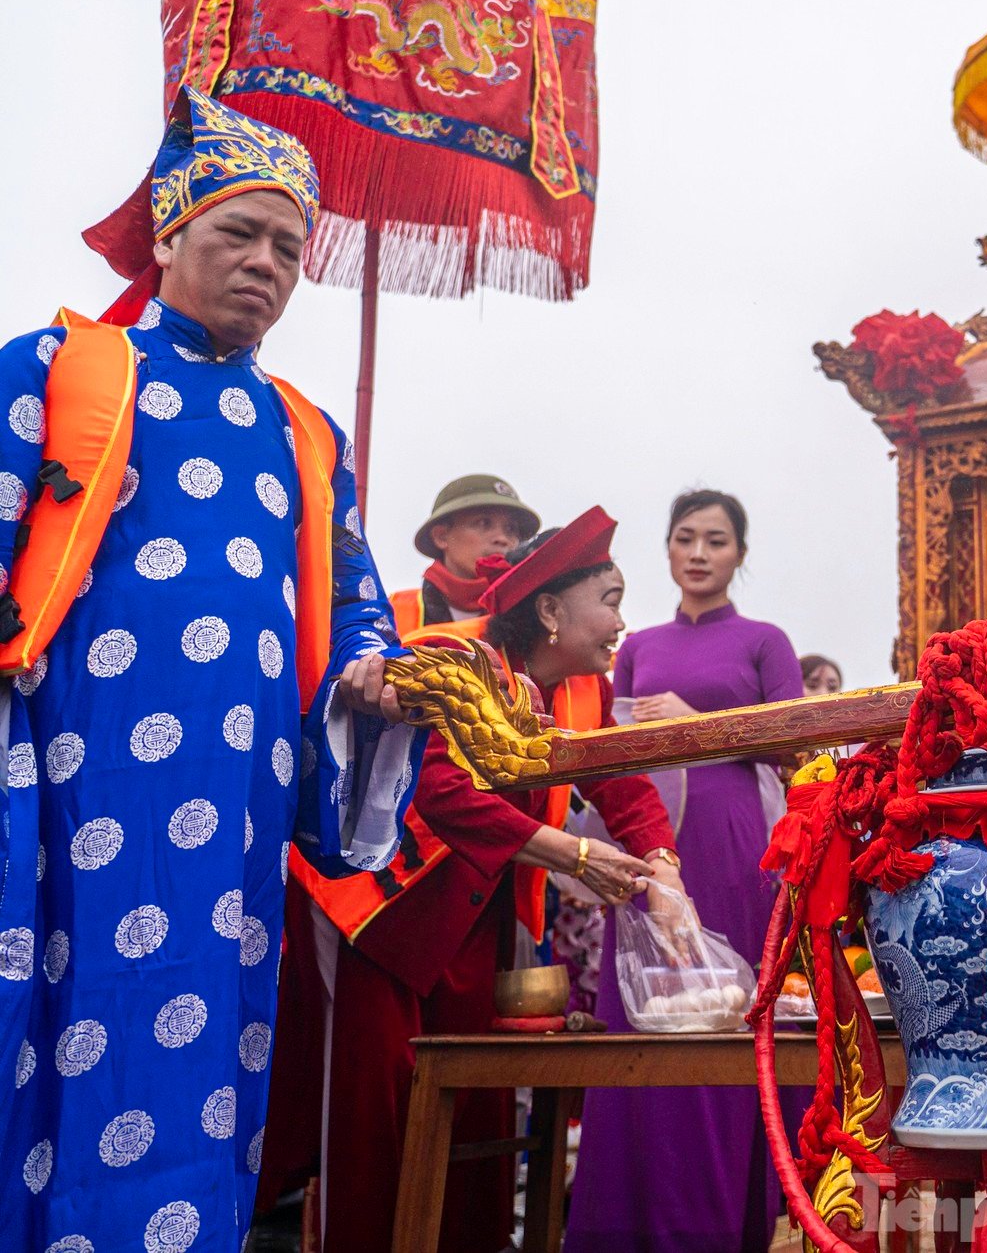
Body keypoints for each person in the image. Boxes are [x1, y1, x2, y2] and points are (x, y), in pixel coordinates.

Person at [0, 87, 418, 1253]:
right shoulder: (61, 371)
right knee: (43, 1039)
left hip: (228, 821)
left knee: (203, 1055)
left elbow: (353, 610)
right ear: (170, 233)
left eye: (290, 245)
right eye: (240, 230)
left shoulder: (302, 431)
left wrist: (380, 684)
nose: (269, 263)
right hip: (61, 795)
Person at [268, 507, 679, 1252]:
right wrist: (575, 855)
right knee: (376, 1116)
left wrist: (665, 871)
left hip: (472, 919)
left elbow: (625, 784)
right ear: (550, 609)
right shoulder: (452, 659)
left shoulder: (582, 690)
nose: (623, 622)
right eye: (611, 600)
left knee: (478, 1109)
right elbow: (441, 791)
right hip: (379, 911)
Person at [564, 489, 805, 1252]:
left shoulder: (766, 640)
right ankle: (628, 1218)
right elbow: (615, 740)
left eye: (717, 541)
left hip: (733, 843)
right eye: (685, 539)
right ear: (667, 550)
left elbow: (795, 741)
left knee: (725, 1009)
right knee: (643, 1000)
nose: (699, 554)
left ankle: (721, 1217)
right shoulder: (635, 645)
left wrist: (698, 728)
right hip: (650, 840)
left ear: (739, 554)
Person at [388, 474, 540, 630]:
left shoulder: (535, 618)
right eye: (483, 523)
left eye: (511, 529)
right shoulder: (391, 613)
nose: (502, 539)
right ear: (441, 536)